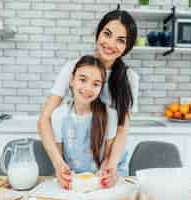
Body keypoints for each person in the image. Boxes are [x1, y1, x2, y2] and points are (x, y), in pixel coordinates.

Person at [38, 9, 139, 189]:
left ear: (127, 47)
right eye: (107, 34)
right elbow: (44, 119)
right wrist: (59, 163)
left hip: (111, 165)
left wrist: (111, 164)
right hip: (77, 166)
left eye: (121, 40)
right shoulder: (73, 68)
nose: (110, 43)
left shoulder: (129, 78)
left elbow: (122, 128)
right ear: (98, 33)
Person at [51, 55, 126, 189]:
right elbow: (60, 160)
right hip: (74, 183)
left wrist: (105, 175)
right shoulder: (58, 115)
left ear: (101, 88)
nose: (88, 88)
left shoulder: (110, 115)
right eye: (83, 80)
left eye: (96, 84)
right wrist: (64, 175)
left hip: (100, 182)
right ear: (71, 80)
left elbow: (108, 158)